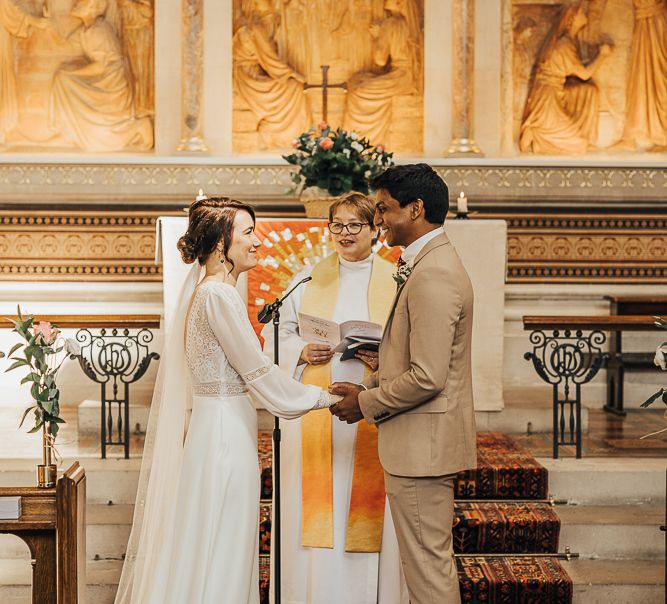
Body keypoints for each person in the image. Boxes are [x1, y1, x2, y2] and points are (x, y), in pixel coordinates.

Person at [115, 197, 336, 604]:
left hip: (217, 428)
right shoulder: (218, 295)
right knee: (226, 542)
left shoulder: (210, 292)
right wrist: (324, 397)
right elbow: (257, 373)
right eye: (248, 232)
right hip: (224, 437)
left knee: (213, 541)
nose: (257, 241)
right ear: (220, 243)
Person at [330, 164, 477, 604]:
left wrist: (367, 401)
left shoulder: (434, 272)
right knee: (422, 569)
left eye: (384, 209)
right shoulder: (428, 262)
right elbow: (420, 359)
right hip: (420, 445)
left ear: (415, 209)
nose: (379, 220)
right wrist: (380, 367)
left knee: (428, 572)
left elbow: (429, 376)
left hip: (422, 450)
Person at [262, 192, 408, 604]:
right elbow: (276, 334)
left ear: (375, 229)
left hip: (372, 403)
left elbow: (411, 339)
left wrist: (384, 355)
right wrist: (300, 352)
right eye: (337, 225)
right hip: (318, 406)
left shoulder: (396, 279)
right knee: (318, 502)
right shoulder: (308, 278)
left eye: (354, 225)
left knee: (364, 503)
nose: (344, 234)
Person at [519, 3, 612, 154]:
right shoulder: (564, 45)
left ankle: (547, 131)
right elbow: (584, 74)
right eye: (581, 12)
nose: (585, 15)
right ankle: (535, 132)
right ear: (572, 19)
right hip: (547, 97)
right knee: (578, 145)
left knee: (589, 91)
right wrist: (602, 55)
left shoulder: (567, 41)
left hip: (556, 90)